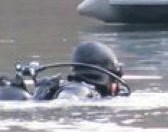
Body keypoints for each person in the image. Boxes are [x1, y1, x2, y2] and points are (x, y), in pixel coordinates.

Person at [0, 41, 130, 101]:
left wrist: (39, 95)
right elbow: (65, 103)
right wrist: (38, 98)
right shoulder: (83, 91)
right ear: (110, 76)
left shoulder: (64, 87)